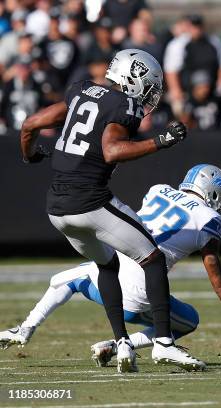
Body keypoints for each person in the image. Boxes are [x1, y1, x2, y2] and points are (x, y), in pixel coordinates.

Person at [19, 49, 193, 373]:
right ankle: (165, 345)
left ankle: (123, 343)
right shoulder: (124, 104)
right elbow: (112, 150)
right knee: (152, 260)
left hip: (56, 209)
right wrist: (161, 141)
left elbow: (30, 124)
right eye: (149, 86)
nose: (150, 95)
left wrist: (30, 156)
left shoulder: (82, 90)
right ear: (133, 79)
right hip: (89, 202)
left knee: (106, 263)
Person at [0, 165, 221, 369]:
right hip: (142, 294)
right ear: (213, 194)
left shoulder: (158, 189)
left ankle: (26, 328)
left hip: (108, 277)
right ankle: (147, 346)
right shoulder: (209, 219)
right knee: (189, 321)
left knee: (68, 279)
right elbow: (219, 282)